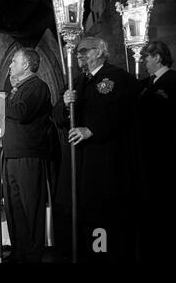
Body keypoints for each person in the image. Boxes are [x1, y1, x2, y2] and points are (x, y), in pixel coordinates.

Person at [52, 37, 141, 262]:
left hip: (104, 158)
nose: (78, 55)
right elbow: (58, 118)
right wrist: (65, 104)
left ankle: (101, 254)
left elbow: (123, 112)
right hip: (78, 162)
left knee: (101, 214)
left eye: (84, 51)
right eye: (77, 52)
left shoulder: (119, 78)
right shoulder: (76, 81)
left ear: (99, 51)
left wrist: (92, 129)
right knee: (78, 211)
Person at [2, 47, 53, 263]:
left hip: (29, 155)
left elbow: (22, 112)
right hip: (12, 154)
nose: (11, 65)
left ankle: (33, 253)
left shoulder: (37, 87)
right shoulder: (17, 88)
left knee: (30, 205)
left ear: (26, 65)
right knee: (14, 208)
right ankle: (19, 249)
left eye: (14, 61)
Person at [137, 41, 176, 261]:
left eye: (146, 58)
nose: (143, 61)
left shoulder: (173, 81)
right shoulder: (144, 84)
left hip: (166, 152)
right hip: (146, 153)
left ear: (158, 57)